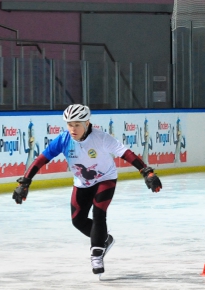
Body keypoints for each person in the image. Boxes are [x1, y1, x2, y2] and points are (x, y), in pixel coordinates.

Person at [12, 104, 163, 277]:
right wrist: (25, 182)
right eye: (69, 124)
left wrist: (146, 172)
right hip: (82, 182)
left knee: (99, 214)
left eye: (77, 124)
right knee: (77, 221)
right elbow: (41, 159)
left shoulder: (101, 137)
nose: (73, 129)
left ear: (87, 123)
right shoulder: (63, 139)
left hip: (105, 179)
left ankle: (96, 254)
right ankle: (105, 239)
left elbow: (126, 153)